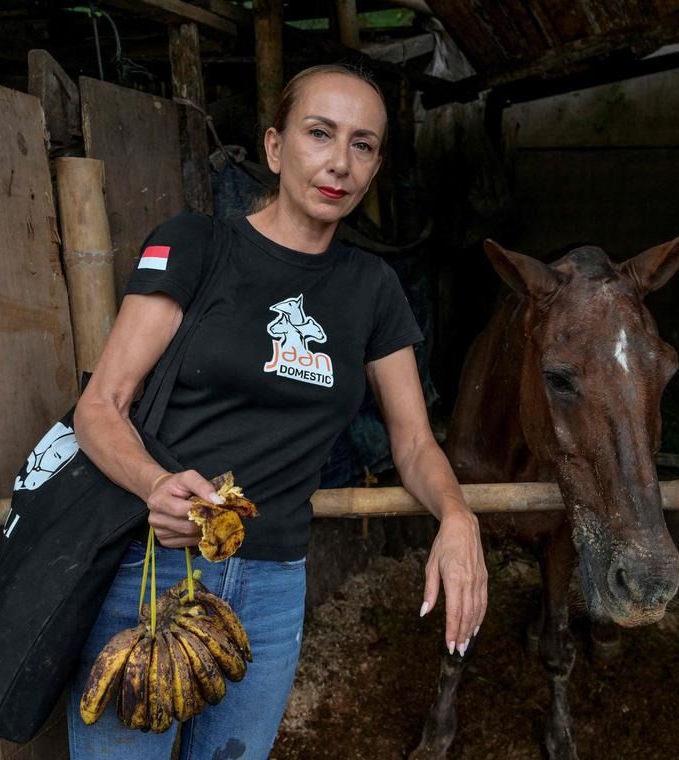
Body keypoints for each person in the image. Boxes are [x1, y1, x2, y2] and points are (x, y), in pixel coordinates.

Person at [67, 63, 488, 760]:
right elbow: (100, 406)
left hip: (271, 583)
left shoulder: (371, 289)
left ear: (376, 167)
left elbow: (413, 442)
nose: (339, 163)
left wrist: (457, 516)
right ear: (273, 147)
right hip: (155, 562)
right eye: (319, 134)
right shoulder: (198, 246)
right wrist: (153, 484)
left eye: (362, 145)